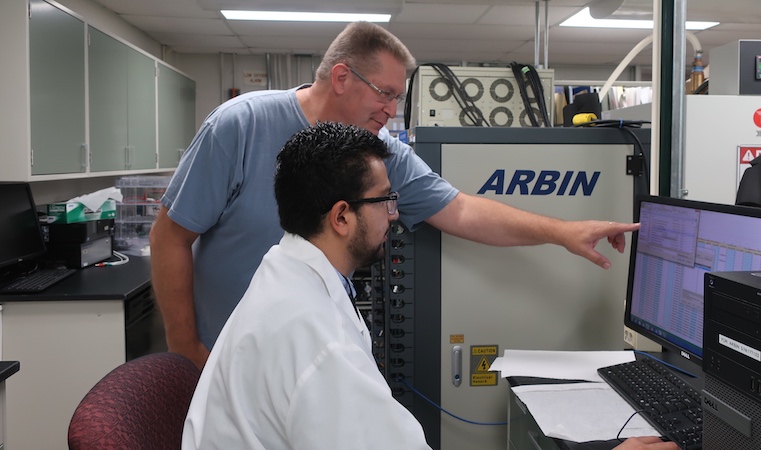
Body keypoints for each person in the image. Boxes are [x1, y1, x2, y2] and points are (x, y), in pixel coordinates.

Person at [150, 21, 640, 370]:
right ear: (341, 77)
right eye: (384, 94)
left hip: (315, 354)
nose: (391, 110)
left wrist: (564, 232)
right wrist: (186, 347)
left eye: (397, 98)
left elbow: (462, 210)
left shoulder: (378, 153)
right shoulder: (242, 125)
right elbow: (171, 235)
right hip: (224, 354)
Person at [181, 122, 675, 450]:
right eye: (385, 201)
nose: (396, 215)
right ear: (341, 217)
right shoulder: (316, 341)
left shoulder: (284, 274)